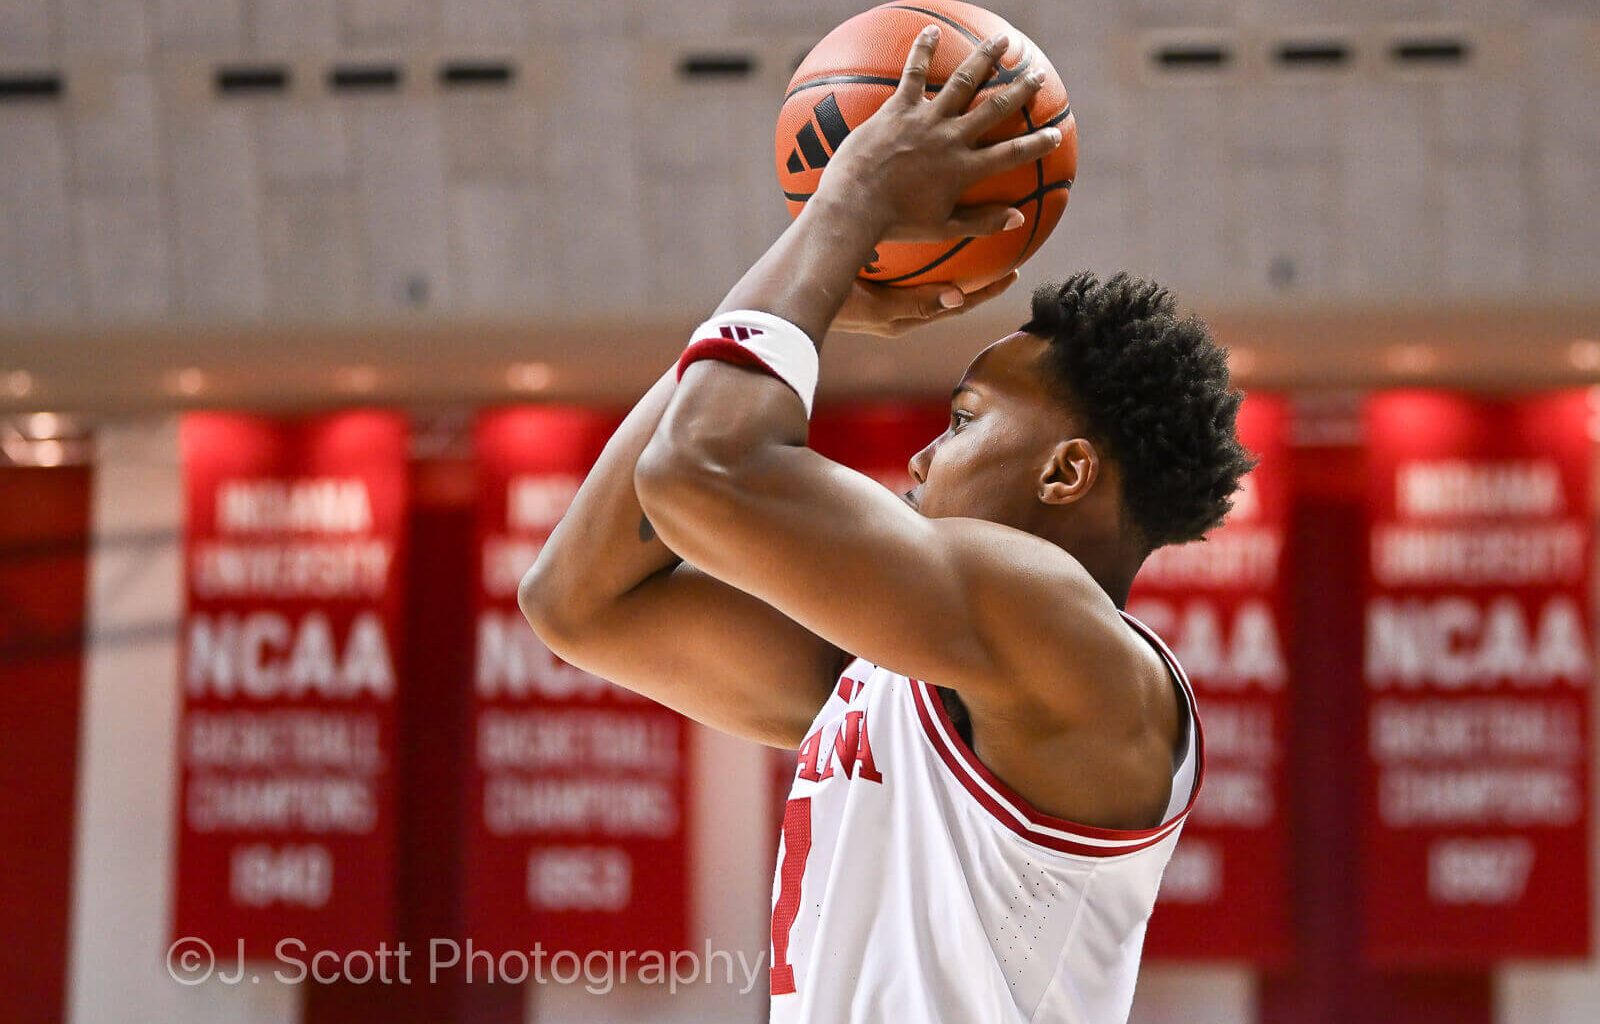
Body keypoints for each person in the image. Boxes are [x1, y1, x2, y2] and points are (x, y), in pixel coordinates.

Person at [520, 25, 1254, 1024]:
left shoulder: (1062, 636)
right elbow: (577, 600)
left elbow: (699, 468)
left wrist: (844, 215)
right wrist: (806, 268)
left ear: (1067, 469)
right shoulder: (915, 666)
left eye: (960, 422)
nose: (920, 457)